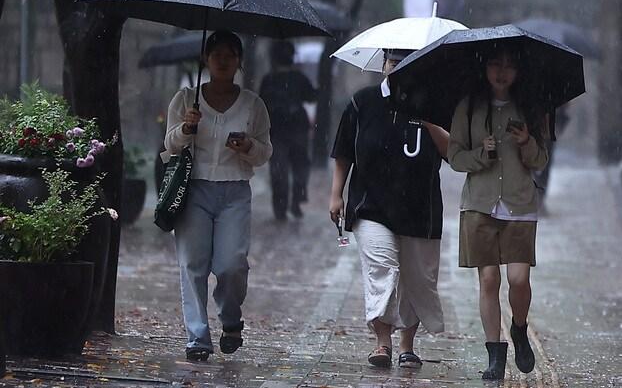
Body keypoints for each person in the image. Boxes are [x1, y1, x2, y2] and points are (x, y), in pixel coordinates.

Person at [329, 49, 449, 368]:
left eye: (408, 64)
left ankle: (407, 344)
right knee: (382, 267)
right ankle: (382, 342)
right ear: (383, 64)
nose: (399, 69)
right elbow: (344, 152)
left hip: (420, 209)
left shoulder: (435, 102)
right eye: (394, 62)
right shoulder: (363, 102)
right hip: (371, 205)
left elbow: (453, 152)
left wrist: (426, 117)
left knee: (416, 278)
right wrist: (336, 194)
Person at [162, 31, 272, 361]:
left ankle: (230, 318)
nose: (223, 60)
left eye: (230, 54)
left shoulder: (253, 104)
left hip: (234, 191)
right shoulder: (185, 99)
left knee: (231, 264)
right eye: (216, 54)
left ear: (239, 62)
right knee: (192, 264)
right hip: (194, 189)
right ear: (205, 60)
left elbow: (265, 152)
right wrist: (186, 128)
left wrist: (247, 146)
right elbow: (169, 146)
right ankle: (197, 336)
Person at [444, 46, 550, 380]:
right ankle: (495, 355)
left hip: (519, 203)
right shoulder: (469, 107)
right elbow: (455, 157)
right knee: (489, 279)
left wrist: (526, 142)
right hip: (480, 203)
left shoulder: (532, 108)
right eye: (495, 64)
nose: (501, 72)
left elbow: (541, 161)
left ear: (519, 72)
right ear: (484, 69)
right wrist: (481, 154)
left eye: (508, 65)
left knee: (519, 280)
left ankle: (519, 327)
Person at [259, 40, 317, 219]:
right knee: (297, 168)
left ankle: (282, 205)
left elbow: (261, 103)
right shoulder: (297, 78)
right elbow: (311, 96)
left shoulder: (269, 79)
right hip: (291, 129)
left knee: (281, 170)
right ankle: (293, 202)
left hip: (279, 130)